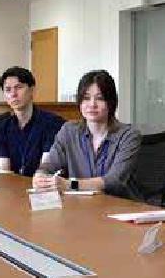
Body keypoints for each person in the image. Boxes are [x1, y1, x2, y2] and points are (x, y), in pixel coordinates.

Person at [34, 70, 141, 198]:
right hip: (81, 207)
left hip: (119, 208)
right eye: (86, 98)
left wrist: (69, 184)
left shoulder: (128, 135)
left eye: (100, 98)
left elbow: (113, 181)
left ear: (111, 102)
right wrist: (41, 175)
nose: (92, 104)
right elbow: (49, 165)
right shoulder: (69, 131)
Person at [0, 66, 65, 176]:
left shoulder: (52, 123)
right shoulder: (4, 127)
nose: (13, 94)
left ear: (32, 90)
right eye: (8, 90)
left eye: (18, 87)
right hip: (14, 186)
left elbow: (47, 169)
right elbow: (4, 170)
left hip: (42, 185)